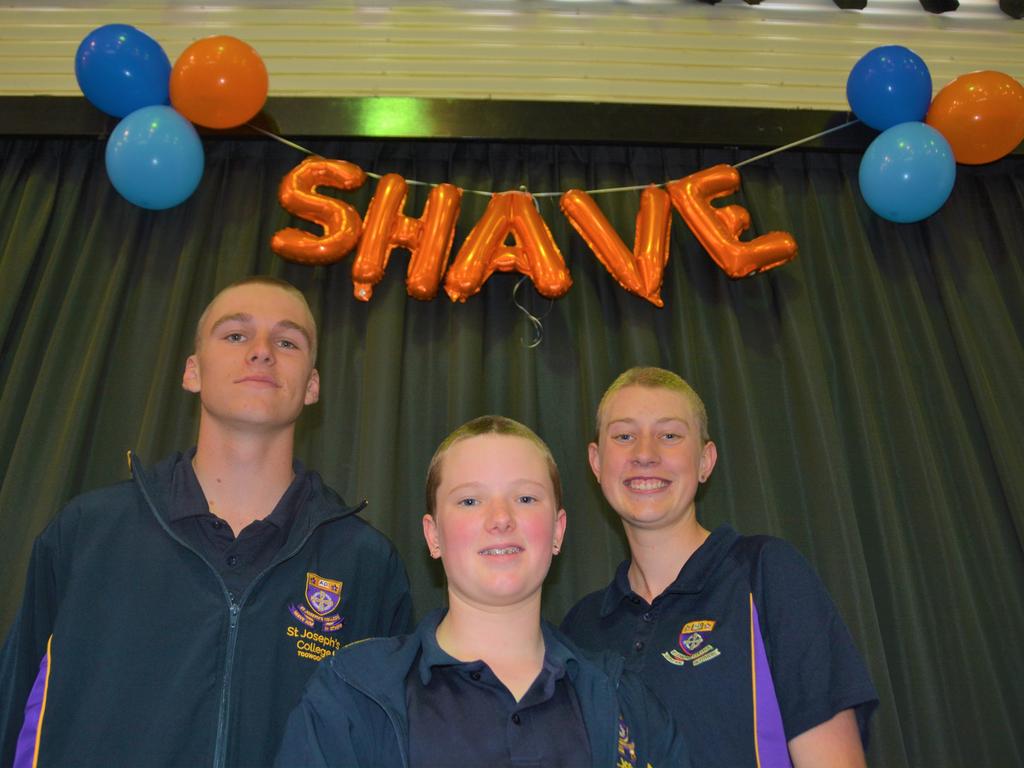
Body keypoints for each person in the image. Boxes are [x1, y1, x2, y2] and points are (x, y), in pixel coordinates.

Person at [0, 276, 413, 768]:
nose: (261, 352)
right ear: (192, 371)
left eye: (286, 341)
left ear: (313, 386)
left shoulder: (366, 564)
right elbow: (18, 717)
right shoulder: (88, 534)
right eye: (236, 335)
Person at [276, 415, 688, 768]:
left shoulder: (623, 701)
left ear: (558, 531)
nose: (501, 519)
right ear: (432, 535)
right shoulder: (352, 694)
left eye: (525, 498)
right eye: (470, 500)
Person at [561, 367, 878, 768]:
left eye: (669, 435)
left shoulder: (764, 574)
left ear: (705, 461)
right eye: (624, 436)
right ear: (596, 461)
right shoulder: (580, 629)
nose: (644, 453)